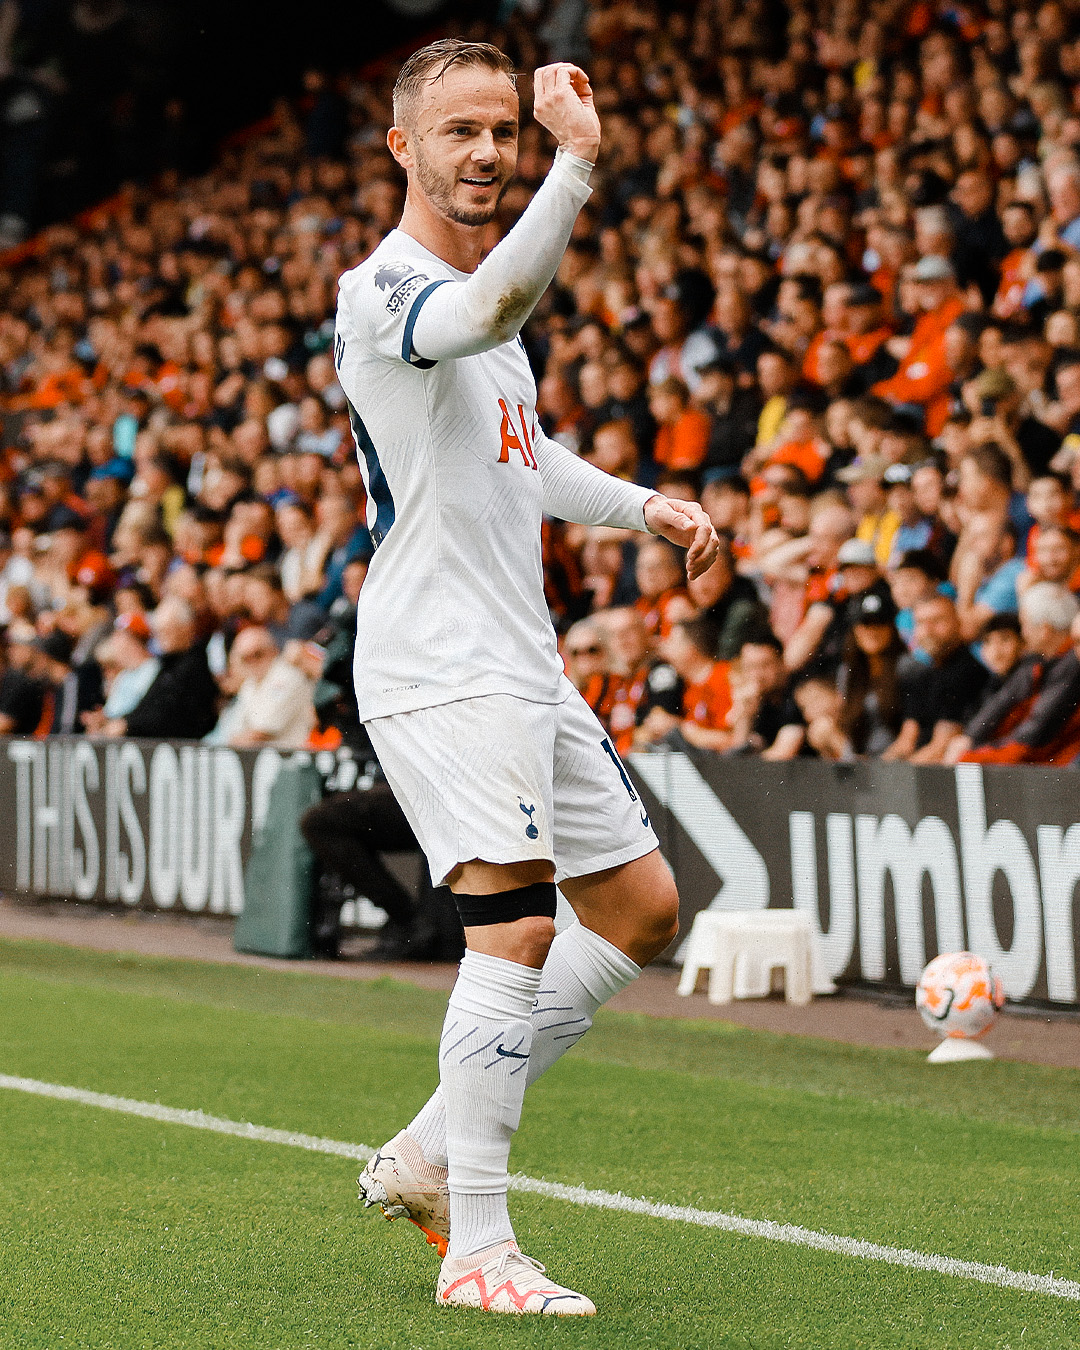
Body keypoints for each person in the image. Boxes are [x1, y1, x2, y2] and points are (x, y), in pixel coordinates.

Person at [341, 42, 718, 1316]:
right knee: (514, 929)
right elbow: (494, 311)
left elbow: (525, 454)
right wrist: (580, 161)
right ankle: (479, 1252)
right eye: (459, 131)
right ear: (404, 148)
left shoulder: (489, 309)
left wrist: (645, 507)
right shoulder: (385, 290)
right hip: (439, 665)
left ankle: (429, 1154)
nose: (487, 152)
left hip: (524, 662)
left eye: (504, 130)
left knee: (643, 910)